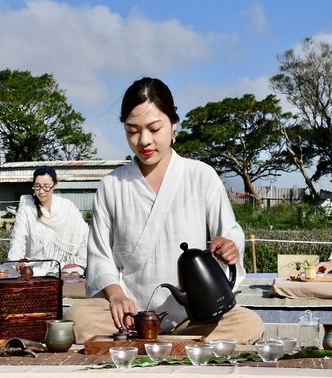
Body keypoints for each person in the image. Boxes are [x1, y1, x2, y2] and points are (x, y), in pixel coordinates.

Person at [64, 77, 264, 344]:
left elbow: (229, 233)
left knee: (248, 324)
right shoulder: (112, 185)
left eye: (154, 128)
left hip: (195, 316)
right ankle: (176, 346)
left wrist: (229, 247)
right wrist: (116, 296)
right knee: (78, 317)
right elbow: (100, 257)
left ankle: (150, 345)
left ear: (173, 126)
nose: (144, 140)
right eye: (132, 130)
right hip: (131, 317)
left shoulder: (201, 176)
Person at [8, 166, 89, 277]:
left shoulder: (67, 207)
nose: (41, 191)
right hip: (34, 268)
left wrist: (77, 262)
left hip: (66, 266)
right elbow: (18, 239)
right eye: (37, 186)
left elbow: (84, 236)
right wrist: (17, 261)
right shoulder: (26, 208)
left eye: (46, 186)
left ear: (54, 185)